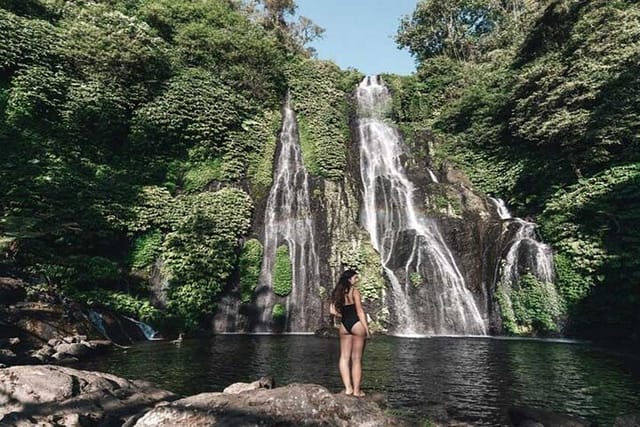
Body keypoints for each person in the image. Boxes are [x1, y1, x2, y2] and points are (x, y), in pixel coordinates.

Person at [330, 269, 370, 397]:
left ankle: (348, 389)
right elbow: (359, 312)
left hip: (344, 326)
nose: (356, 280)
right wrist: (366, 329)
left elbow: (332, 311)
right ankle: (357, 391)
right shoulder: (354, 291)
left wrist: (341, 315)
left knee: (344, 357)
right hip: (356, 325)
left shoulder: (337, 293)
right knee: (356, 359)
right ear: (349, 279)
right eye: (355, 278)